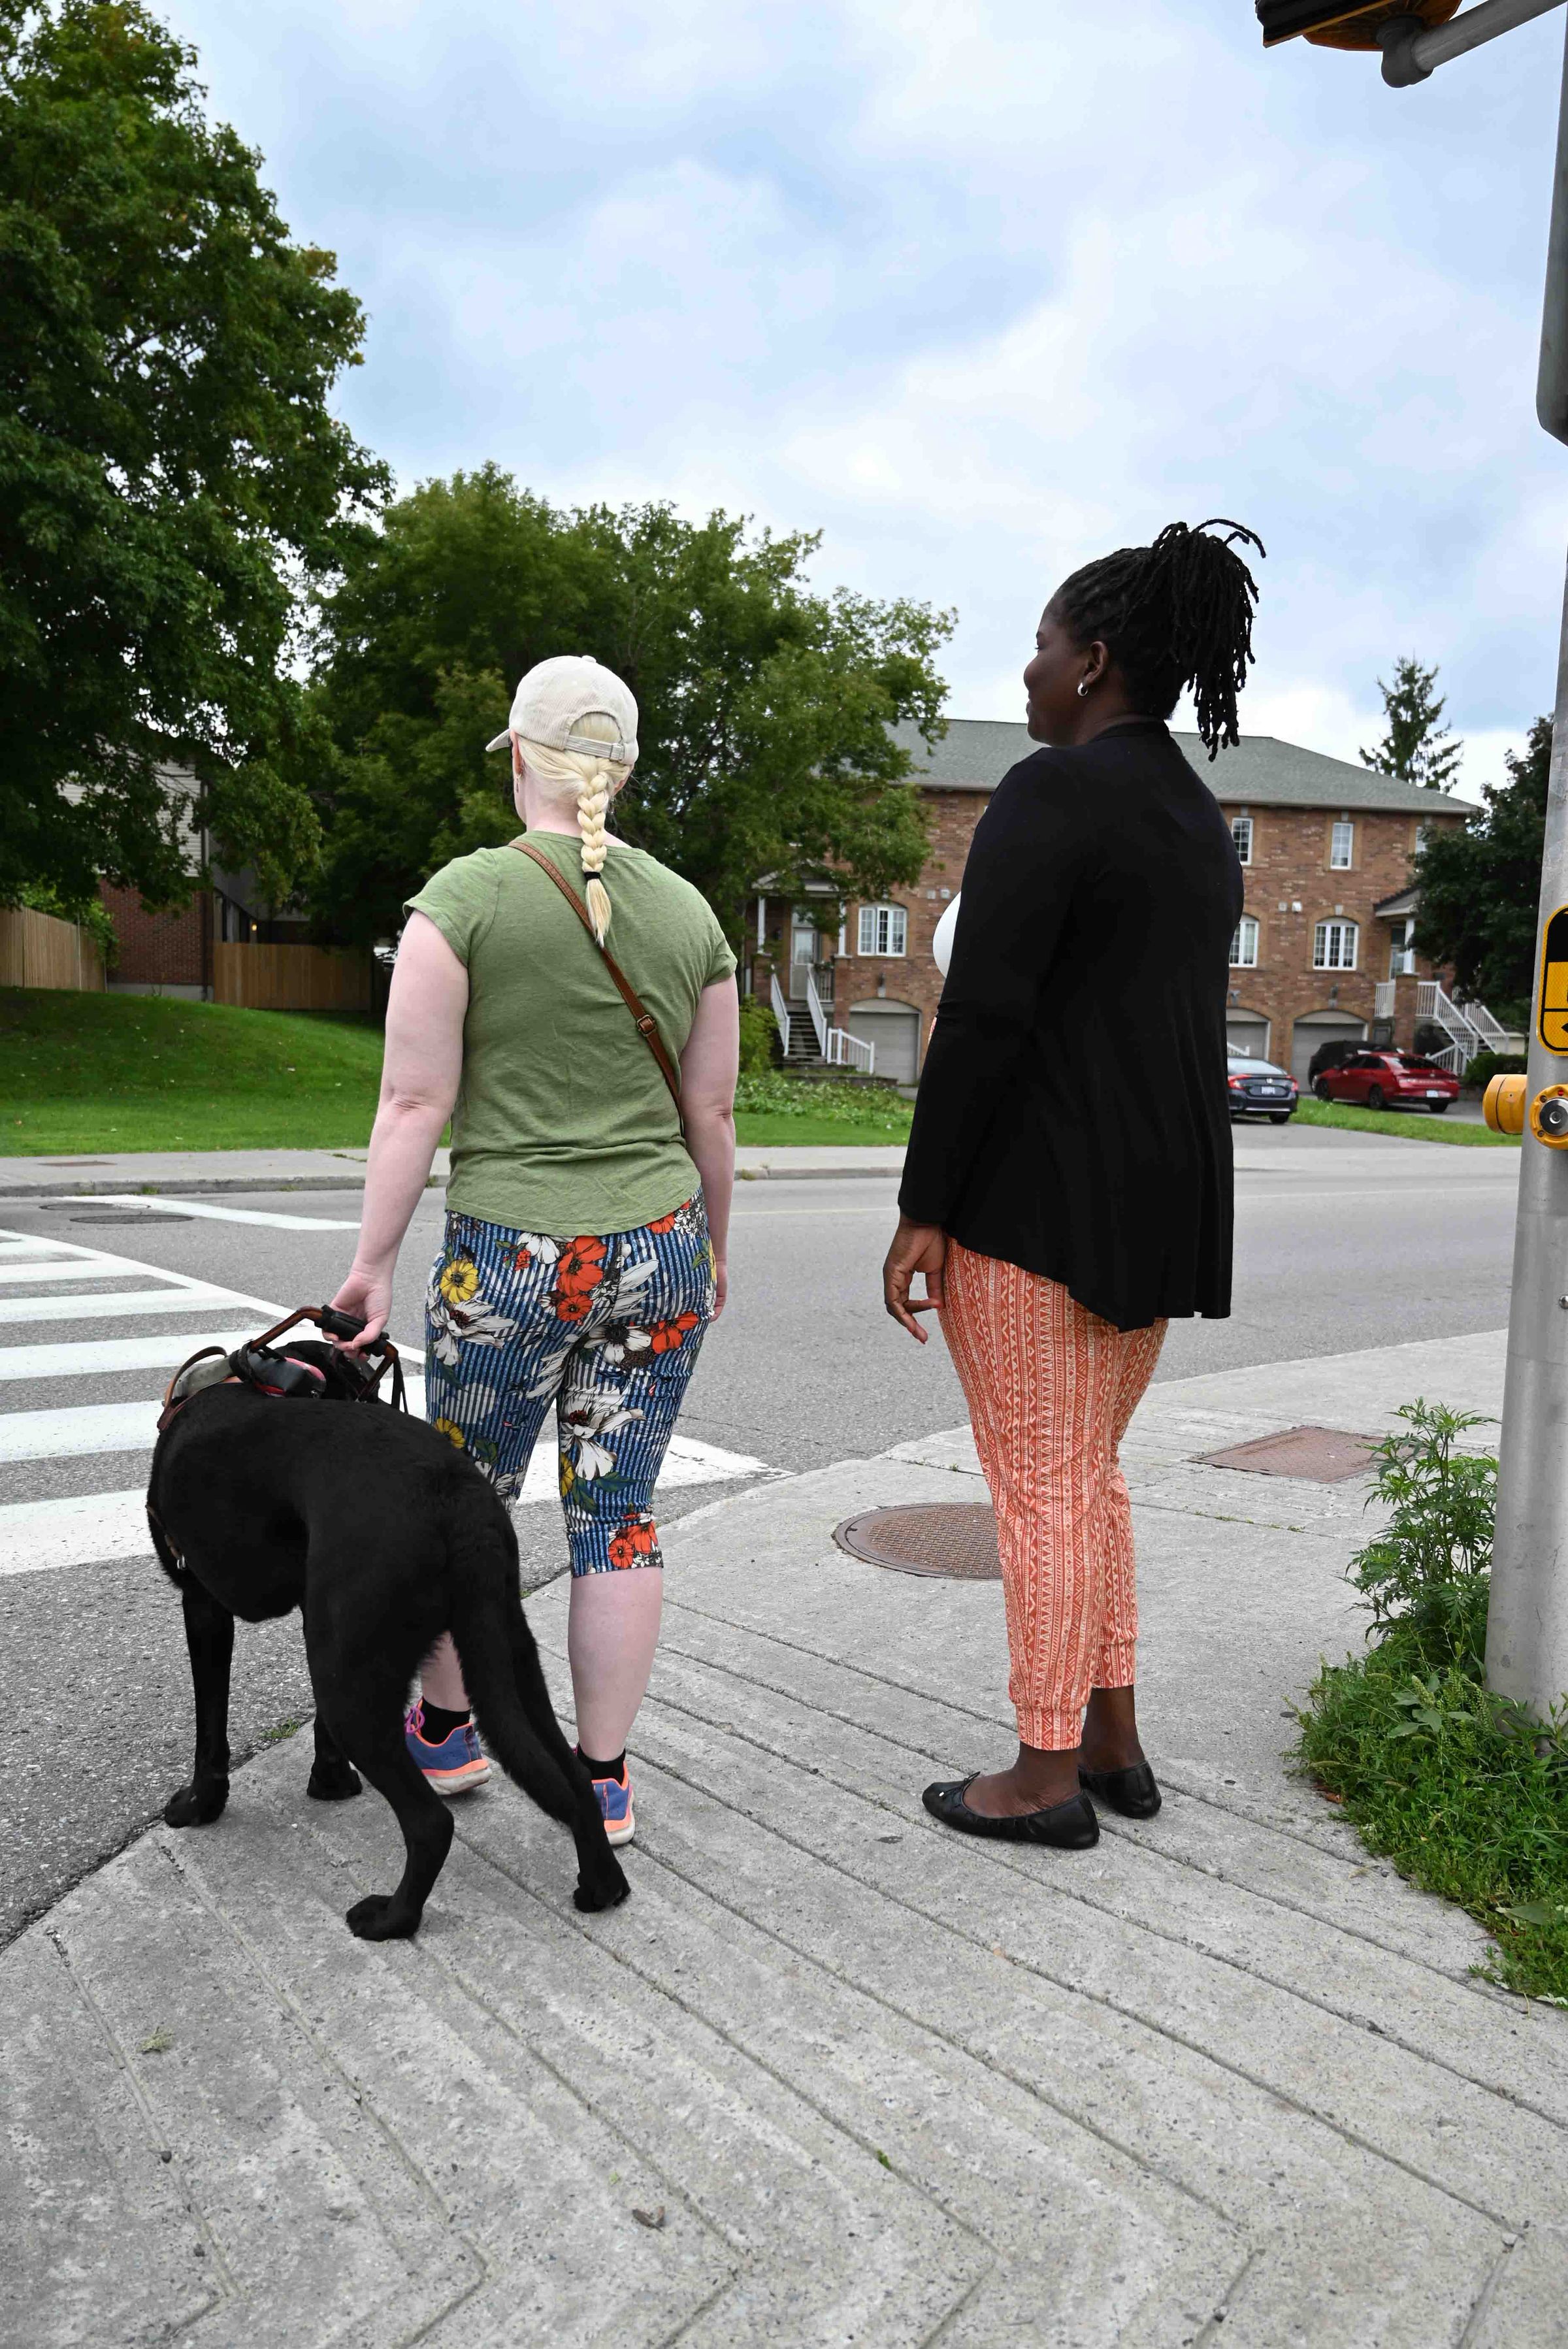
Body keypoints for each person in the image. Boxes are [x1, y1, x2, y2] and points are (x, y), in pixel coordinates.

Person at [882, 520, 1263, 1847]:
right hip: (1161, 1210)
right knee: (1088, 1477)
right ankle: (1111, 1741)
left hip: (1036, 1207)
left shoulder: (1051, 796)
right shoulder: (1195, 822)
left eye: (1042, 648)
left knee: (1041, 1486)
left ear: (1094, 658)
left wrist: (922, 1207)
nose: (1029, 673)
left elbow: (984, 1017)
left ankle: (1042, 1778)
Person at [329, 655, 739, 1847]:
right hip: (660, 1245)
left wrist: (371, 1266)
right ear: (621, 768)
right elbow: (711, 1116)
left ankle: (450, 1738)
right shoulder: (692, 915)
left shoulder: (461, 902)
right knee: (620, 1515)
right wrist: (712, 1248)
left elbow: (413, 1103)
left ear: (518, 756)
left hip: (509, 1256)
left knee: (470, 1503)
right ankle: (601, 1778)